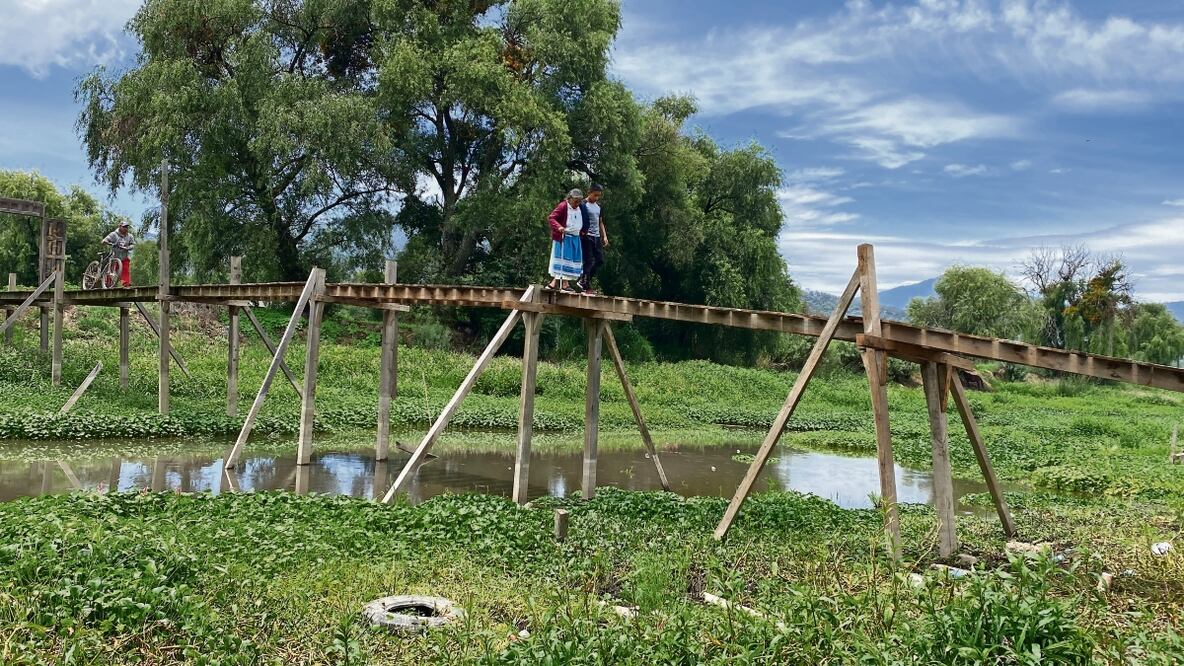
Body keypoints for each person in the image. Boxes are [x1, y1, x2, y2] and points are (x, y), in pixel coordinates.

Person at [546, 189, 590, 291]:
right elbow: (552, 218)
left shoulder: (581, 207)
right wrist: (559, 227)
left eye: (579, 201)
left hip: (575, 238)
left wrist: (584, 230)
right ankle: (563, 284)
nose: (577, 204)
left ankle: (556, 284)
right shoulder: (563, 206)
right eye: (575, 201)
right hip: (564, 238)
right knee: (563, 261)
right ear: (569, 199)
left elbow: (586, 219)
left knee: (571, 262)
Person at [578, 184, 609, 294]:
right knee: (589, 260)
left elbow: (600, 222)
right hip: (586, 235)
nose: (596, 198)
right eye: (595, 195)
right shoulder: (583, 204)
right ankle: (585, 284)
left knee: (600, 260)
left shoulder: (599, 206)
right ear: (589, 192)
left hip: (596, 236)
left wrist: (604, 236)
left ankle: (583, 279)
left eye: (598, 196)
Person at [102, 221, 135, 288]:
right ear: (120, 227)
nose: (126, 228)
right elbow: (105, 240)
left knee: (125, 270)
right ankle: (107, 284)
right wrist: (106, 242)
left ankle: (126, 284)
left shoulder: (130, 236)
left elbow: (133, 244)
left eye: (127, 227)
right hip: (114, 257)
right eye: (124, 227)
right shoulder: (114, 234)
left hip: (124, 256)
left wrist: (127, 247)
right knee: (111, 270)